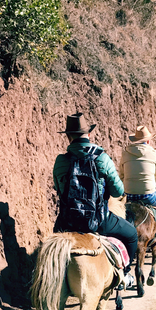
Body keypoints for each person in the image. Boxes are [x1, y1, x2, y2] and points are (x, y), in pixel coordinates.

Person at [53, 112, 138, 287]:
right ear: (89, 135)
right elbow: (118, 191)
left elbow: (60, 190)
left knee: (51, 246)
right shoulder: (102, 158)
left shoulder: (61, 161)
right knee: (131, 235)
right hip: (99, 220)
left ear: (68, 137)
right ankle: (126, 275)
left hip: (67, 221)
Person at [119, 125, 156, 243]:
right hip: (148, 195)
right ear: (148, 141)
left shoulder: (126, 153)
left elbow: (121, 175)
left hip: (129, 195)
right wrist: (154, 188)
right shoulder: (154, 153)